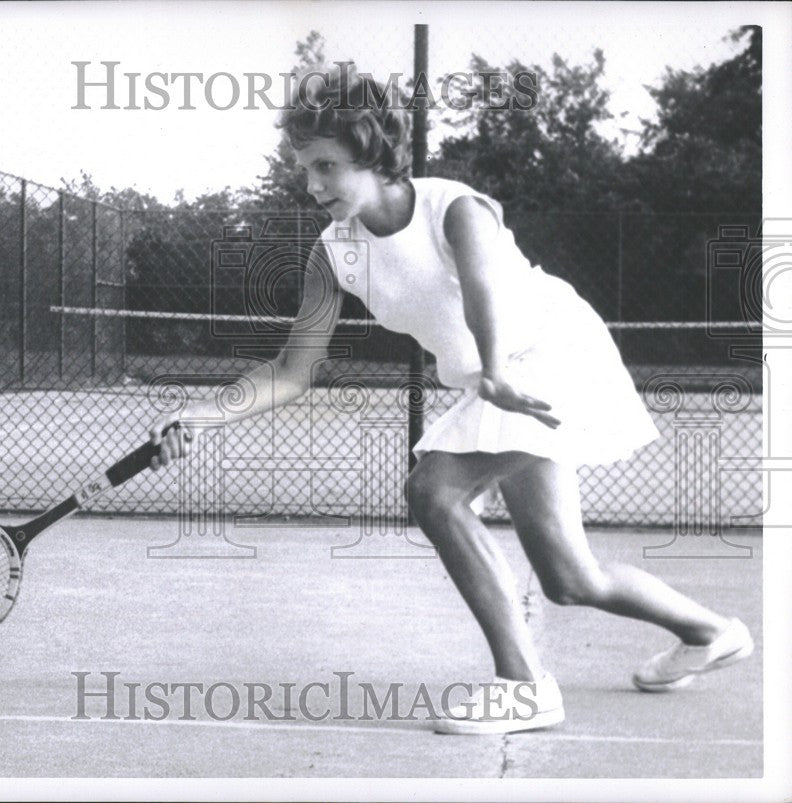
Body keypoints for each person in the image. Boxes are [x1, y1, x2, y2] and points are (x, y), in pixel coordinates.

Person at [147, 66, 753, 734]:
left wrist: (492, 371)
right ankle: (712, 631)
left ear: (373, 151)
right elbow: (294, 370)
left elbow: (482, 290)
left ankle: (524, 688)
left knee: (433, 490)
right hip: (497, 379)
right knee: (568, 577)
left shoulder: (454, 208)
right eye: (305, 169)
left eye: (327, 166)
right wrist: (206, 413)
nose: (313, 186)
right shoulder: (333, 254)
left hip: (548, 354)